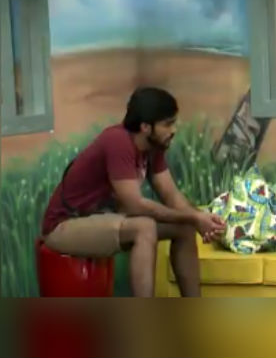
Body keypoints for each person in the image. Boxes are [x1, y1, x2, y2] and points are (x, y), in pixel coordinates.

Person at [41, 87, 225, 297]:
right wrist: (193, 217)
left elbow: (172, 196)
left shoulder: (154, 147)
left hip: (101, 219)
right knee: (143, 228)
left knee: (183, 228)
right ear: (145, 127)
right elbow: (134, 205)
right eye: (167, 124)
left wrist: (202, 219)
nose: (174, 130)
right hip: (63, 226)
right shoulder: (118, 142)